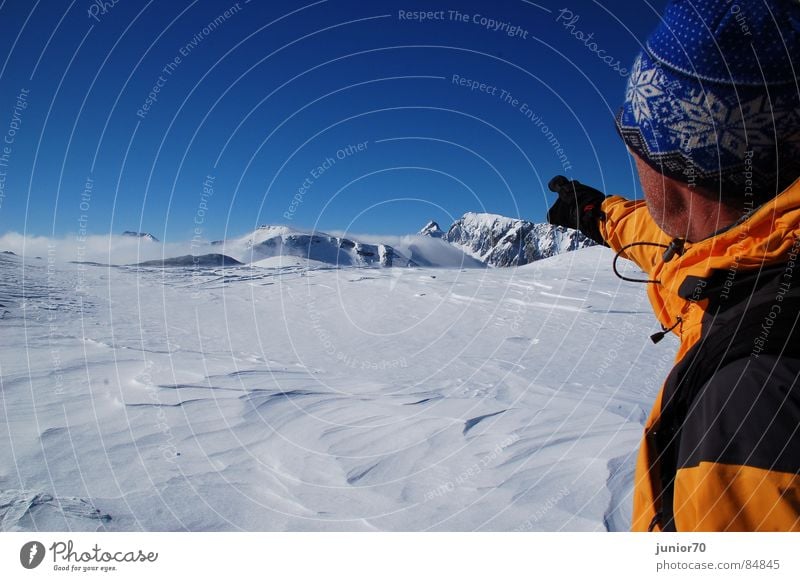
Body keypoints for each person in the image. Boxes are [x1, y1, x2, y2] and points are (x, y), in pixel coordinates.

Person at [547, 0, 800, 531]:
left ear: (678, 169)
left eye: (633, 139)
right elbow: (662, 238)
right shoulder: (747, 243)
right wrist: (598, 215)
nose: (632, 160)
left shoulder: (746, 401)